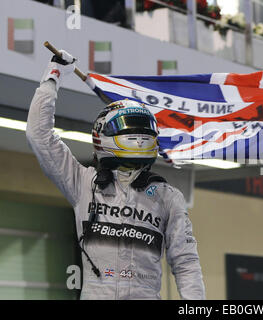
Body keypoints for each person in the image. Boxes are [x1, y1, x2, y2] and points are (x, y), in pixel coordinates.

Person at [26, 50, 205, 300]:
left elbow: (185, 263)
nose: (138, 136)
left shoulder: (167, 198)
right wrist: (52, 77)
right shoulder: (83, 183)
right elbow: (39, 135)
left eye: (143, 131)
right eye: (130, 129)